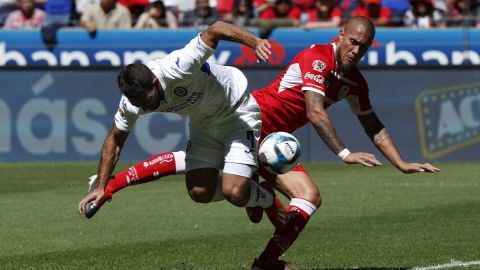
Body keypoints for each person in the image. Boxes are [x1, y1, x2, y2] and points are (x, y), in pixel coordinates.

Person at [79, 17, 441, 269]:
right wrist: (343, 153)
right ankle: (261, 203)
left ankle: (265, 258)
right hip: (252, 123)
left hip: (243, 116)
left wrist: (401, 163)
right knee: (201, 190)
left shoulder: (353, 83)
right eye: (353, 42)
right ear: (341, 34)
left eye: (362, 45)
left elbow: (373, 124)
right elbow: (315, 112)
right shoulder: (317, 58)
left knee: (295, 196)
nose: (355, 50)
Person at [78, 21, 287, 235]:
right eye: (136, 102)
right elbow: (114, 140)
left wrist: (255, 42)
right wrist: (101, 186)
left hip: (235, 113)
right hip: (203, 122)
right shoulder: (132, 102)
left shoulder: (177, 66)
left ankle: (266, 198)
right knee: (199, 192)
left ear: (155, 83)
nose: (143, 107)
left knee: (234, 192)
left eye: (145, 99)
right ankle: (254, 190)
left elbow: (216, 28)